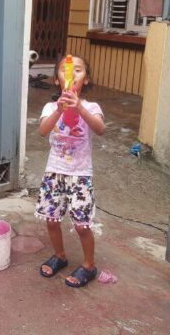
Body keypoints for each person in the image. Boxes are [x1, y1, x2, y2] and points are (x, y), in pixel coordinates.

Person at [36, 54, 105, 288]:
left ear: (86, 79)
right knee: (52, 219)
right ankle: (61, 255)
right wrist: (59, 110)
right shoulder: (49, 107)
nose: (71, 75)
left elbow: (100, 128)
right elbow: (43, 131)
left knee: (81, 224)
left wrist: (79, 109)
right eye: (66, 71)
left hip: (81, 174)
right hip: (54, 172)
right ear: (57, 80)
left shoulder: (91, 107)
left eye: (78, 70)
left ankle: (89, 265)